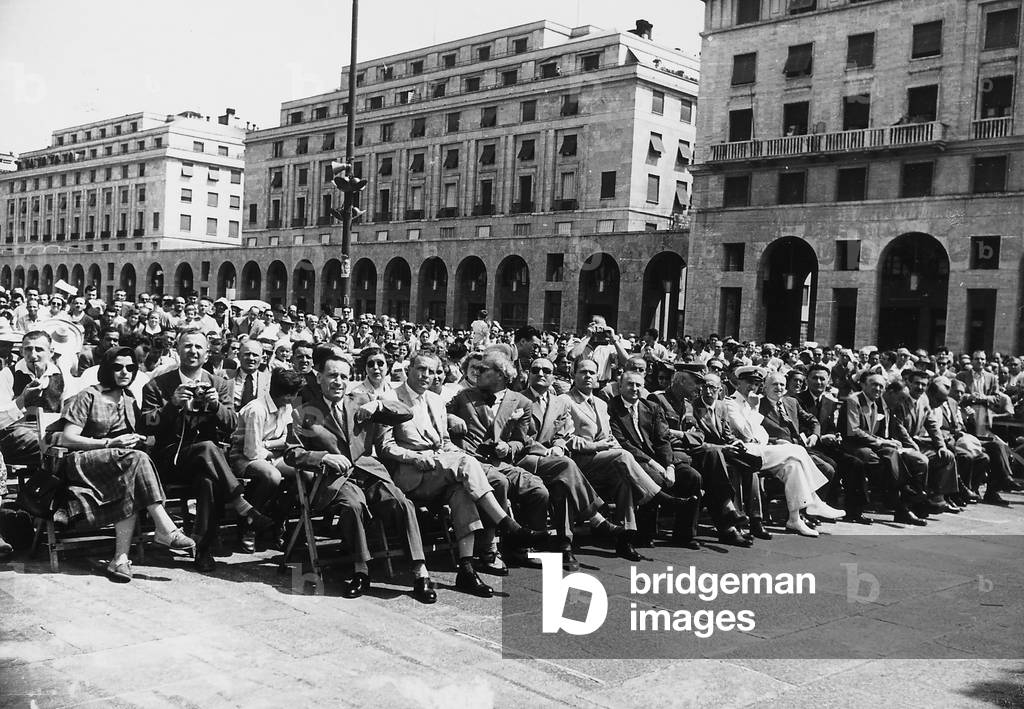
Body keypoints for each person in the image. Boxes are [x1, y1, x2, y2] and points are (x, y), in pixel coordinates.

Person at [380, 351, 546, 597]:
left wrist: (457, 455)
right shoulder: (391, 398)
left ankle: (466, 569)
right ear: (409, 369)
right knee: (466, 465)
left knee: (463, 491)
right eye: (421, 369)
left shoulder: (435, 401)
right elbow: (385, 445)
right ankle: (507, 524)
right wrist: (414, 457)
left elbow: (445, 442)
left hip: (441, 469)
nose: (427, 376)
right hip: (412, 474)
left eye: (433, 371)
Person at [286, 352, 437, 603]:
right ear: (320, 375)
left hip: (369, 472)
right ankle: (361, 570)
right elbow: (293, 453)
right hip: (336, 479)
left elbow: (405, 413)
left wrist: (378, 405)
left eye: (344, 377)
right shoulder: (306, 411)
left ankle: (420, 572)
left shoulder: (361, 400)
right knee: (353, 506)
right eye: (332, 375)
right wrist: (323, 457)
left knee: (402, 503)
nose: (338, 382)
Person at [58, 347, 194, 582]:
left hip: (119, 465)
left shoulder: (129, 398)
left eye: (130, 368)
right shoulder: (89, 395)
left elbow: (139, 432)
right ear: (107, 369)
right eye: (118, 367)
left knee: (131, 475)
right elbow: (67, 438)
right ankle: (166, 528)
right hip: (83, 462)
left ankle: (120, 560)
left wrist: (139, 438)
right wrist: (110, 442)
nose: (125, 372)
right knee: (137, 460)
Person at [141, 330, 272, 572]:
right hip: (171, 460)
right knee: (209, 449)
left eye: (198, 347)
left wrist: (214, 405)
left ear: (206, 353)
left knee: (208, 481)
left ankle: (202, 549)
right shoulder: (158, 384)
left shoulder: (220, 384)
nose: (193, 351)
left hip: (209, 464)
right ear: (178, 350)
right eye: (187, 346)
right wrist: (172, 405)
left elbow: (232, 423)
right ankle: (240, 502)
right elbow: (146, 424)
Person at [562, 358, 690, 559]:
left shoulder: (601, 404)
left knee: (625, 482)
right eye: (583, 372)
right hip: (578, 463)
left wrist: (608, 443)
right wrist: (596, 446)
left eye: (592, 373)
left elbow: (610, 436)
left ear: (598, 377)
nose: (588, 376)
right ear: (573, 374)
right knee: (623, 455)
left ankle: (625, 540)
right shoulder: (565, 400)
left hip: (603, 460)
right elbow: (567, 438)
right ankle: (660, 497)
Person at [516, 356, 625, 570]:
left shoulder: (557, 402)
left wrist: (557, 445)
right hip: (525, 458)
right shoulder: (518, 399)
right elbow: (518, 436)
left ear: (553, 376)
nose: (541, 374)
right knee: (566, 465)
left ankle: (565, 545)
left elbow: (563, 432)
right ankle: (596, 519)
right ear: (528, 374)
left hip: (553, 460)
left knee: (562, 484)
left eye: (546, 371)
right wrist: (545, 450)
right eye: (535, 369)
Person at [447, 351, 553, 569]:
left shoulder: (521, 402)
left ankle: (521, 548)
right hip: (472, 460)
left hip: (501, 461)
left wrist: (508, 447)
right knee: (498, 483)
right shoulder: (464, 396)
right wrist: (451, 417)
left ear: (502, 375)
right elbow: (439, 415)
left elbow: (520, 441)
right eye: (476, 369)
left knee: (537, 489)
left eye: (484, 369)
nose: (477, 372)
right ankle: (488, 550)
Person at [725, 367, 843, 537]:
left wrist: (756, 427)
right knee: (796, 449)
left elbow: (761, 434)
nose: (753, 387)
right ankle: (815, 500)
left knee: (794, 465)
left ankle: (794, 519)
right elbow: (748, 432)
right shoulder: (731, 402)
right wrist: (753, 410)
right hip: (744, 452)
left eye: (756, 383)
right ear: (738, 383)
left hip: (760, 449)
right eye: (749, 382)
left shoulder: (754, 402)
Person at [608, 370, 702, 549]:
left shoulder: (651, 407)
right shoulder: (612, 407)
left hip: (659, 459)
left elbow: (662, 440)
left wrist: (670, 466)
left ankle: (684, 535)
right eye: (629, 384)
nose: (634, 388)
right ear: (620, 386)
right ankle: (645, 534)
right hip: (634, 459)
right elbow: (623, 442)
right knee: (656, 478)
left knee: (692, 477)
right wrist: (656, 465)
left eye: (638, 385)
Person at [229, 368, 305, 552]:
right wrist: (274, 448)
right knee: (272, 476)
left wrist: (269, 445)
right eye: (293, 395)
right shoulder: (257, 409)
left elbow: (286, 439)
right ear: (286, 395)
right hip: (242, 457)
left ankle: (279, 518)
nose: (294, 399)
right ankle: (249, 523)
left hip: (269, 454)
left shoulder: (285, 407)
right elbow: (251, 451)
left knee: (304, 473)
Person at [841, 371, 928, 527]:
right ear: (863, 384)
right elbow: (853, 431)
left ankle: (905, 491)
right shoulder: (853, 401)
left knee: (891, 452)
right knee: (876, 461)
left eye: (881, 386)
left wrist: (885, 442)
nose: (878, 389)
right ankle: (902, 499)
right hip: (852, 445)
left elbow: (872, 433)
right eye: (874, 384)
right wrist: (880, 442)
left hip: (869, 444)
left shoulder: (874, 404)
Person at [0, 330, 75, 466]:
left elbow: (71, 408)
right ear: (22, 351)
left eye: (39, 349)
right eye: (28, 349)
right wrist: (22, 400)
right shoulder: (8, 374)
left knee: (69, 443)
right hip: (16, 435)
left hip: (51, 432)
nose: (33, 355)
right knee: (54, 447)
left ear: (51, 352)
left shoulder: (61, 375)